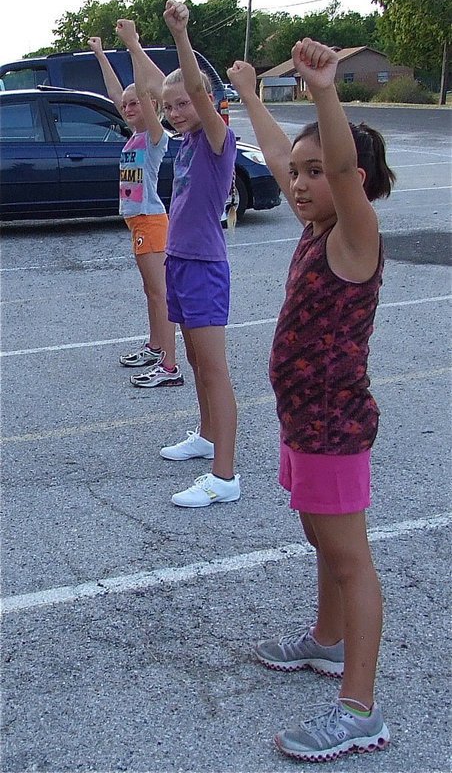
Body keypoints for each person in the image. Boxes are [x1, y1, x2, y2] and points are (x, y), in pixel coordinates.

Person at [228, 38, 395, 763]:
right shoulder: (316, 226)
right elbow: (271, 150)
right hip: (303, 425)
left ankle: (359, 710)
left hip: (333, 429)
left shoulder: (354, 236)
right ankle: (326, 643)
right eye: (294, 174)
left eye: (313, 173)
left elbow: (344, 168)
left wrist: (325, 91)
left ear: (351, 180)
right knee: (320, 540)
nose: (296, 184)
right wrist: (250, 96)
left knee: (349, 557)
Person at [114, 8, 240, 508]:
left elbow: (193, 87)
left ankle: (224, 476)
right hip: (181, 260)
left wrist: (180, 35)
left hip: (206, 265)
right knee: (192, 358)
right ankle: (207, 437)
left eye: (184, 102)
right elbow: (148, 87)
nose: (174, 111)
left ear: (204, 101)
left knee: (214, 369)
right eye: (168, 106)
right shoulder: (185, 143)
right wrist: (130, 43)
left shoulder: (215, 141)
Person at [87, 31, 183, 387]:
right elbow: (116, 93)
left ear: (152, 106)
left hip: (152, 220)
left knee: (161, 294)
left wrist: (133, 47)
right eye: (125, 105)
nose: (128, 107)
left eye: (135, 103)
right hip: (138, 223)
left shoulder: (156, 137)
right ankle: (155, 346)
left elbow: (145, 90)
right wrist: (99, 54)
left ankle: (169, 365)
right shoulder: (133, 135)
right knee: (151, 292)